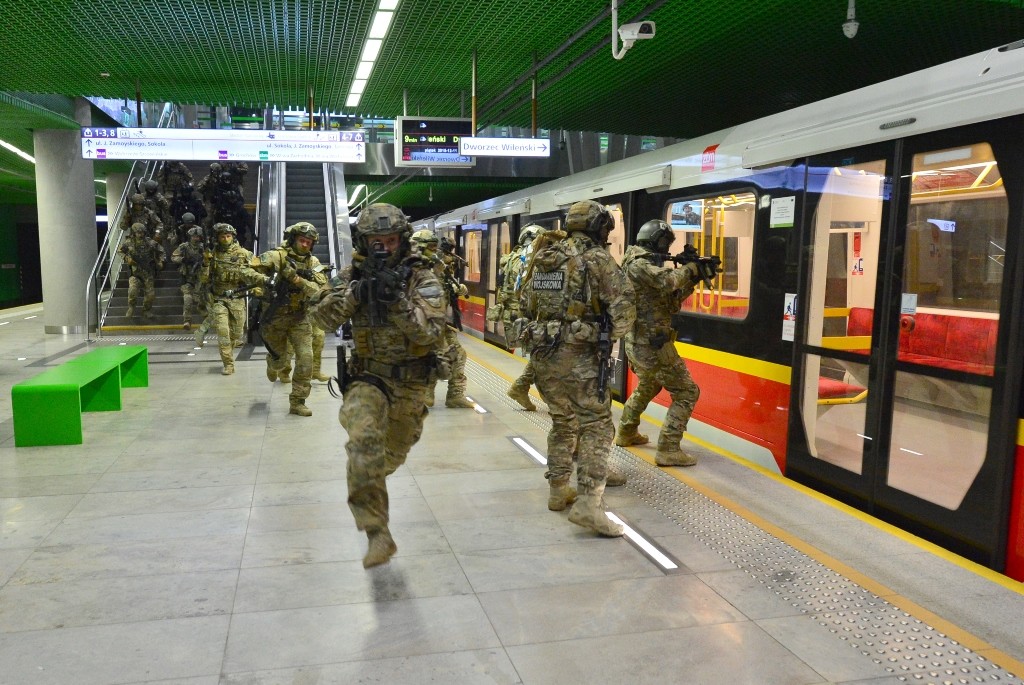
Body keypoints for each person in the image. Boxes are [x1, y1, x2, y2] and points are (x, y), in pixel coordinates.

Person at [308, 203, 447, 568]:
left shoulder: (423, 278)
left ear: (401, 240)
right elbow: (319, 319)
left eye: (389, 240)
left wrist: (395, 300)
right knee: (363, 440)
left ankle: (368, 475)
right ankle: (377, 532)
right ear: (364, 243)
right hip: (368, 377)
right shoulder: (351, 276)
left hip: (413, 382)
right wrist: (357, 294)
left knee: (391, 456)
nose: (382, 247)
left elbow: (430, 333)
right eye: (375, 241)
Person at [517, 200, 635, 536]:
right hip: (581, 358)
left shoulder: (545, 257)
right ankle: (588, 504)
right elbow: (624, 310)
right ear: (600, 228)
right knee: (597, 424)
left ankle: (558, 489)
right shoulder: (596, 258)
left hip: (542, 355)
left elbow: (526, 303)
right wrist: (604, 333)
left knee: (562, 421)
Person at [615, 219, 711, 466]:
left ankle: (626, 431)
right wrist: (690, 269)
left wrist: (694, 277)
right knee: (687, 391)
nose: (667, 250)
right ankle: (668, 448)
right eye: (666, 243)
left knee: (649, 384)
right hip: (652, 345)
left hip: (642, 343)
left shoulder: (640, 264)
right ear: (658, 240)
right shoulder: (638, 265)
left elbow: (671, 298)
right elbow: (668, 281)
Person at [256, 222, 329, 416]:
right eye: (302, 240)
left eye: (309, 242)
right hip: (275, 319)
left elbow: (320, 290)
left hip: (300, 318)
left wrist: (297, 280)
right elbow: (247, 271)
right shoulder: (276, 256)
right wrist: (265, 282)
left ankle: (298, 401)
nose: (305, 245)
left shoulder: (313, 263)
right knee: (280, 362)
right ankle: (274, 362)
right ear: (293, 240)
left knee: (306, 358)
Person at [410, 229, 473, 409]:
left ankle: (455, 395)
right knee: (433, 358)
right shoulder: (413, 268)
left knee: (458, 355)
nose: (435, 251)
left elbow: (441, 290)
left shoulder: (433, 266)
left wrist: (455, 288)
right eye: (430, 247)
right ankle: (426, 393)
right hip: (421, 324)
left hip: (438, 323)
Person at [492, 224, 546, 411]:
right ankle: (521, 388)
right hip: (527, 315)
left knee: (540, 354)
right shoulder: (531, 260)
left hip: (513, 314)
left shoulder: (510, 258)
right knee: (542, 354)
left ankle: (530, 390)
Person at [203, 223, 268, 375]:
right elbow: (204, 278)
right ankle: (228, 364)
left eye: (228, 236)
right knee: (223, 332)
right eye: (222, 236)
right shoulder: (212, 255)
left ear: (233, 236)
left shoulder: (244, 253)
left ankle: (228, 352)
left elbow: (257, 271)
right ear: (217, 238)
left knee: (237, 333)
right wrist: (205, 263)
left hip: (238, 298)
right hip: (220, 299)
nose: (225, 239)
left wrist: (257, 287)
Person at [118, 222, 165, 320]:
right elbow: (120, 251)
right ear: (134, 233)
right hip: (135, 272)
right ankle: (131, 307)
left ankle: (146, 310)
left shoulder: (150, 242)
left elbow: (162, 251)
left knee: (150, 294)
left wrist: (161, 261)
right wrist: (127, 258)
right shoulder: (129, 242)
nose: (141, 234)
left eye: (142, 232)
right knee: (132, 291)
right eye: (138, 233)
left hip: (148, 271)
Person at [170, 225, 206, 330]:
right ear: (190, 236)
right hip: (187, 277)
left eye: (198, 236)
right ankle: (187, 321)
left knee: (201, 299)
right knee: (187, 299)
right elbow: (173, 257)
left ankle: (206, 316)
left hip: (200, 277)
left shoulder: (203, 247)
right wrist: (183, 260)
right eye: (194, 236)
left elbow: (210, 258)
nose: (196, 238)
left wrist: (205, 261)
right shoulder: (184, 247)